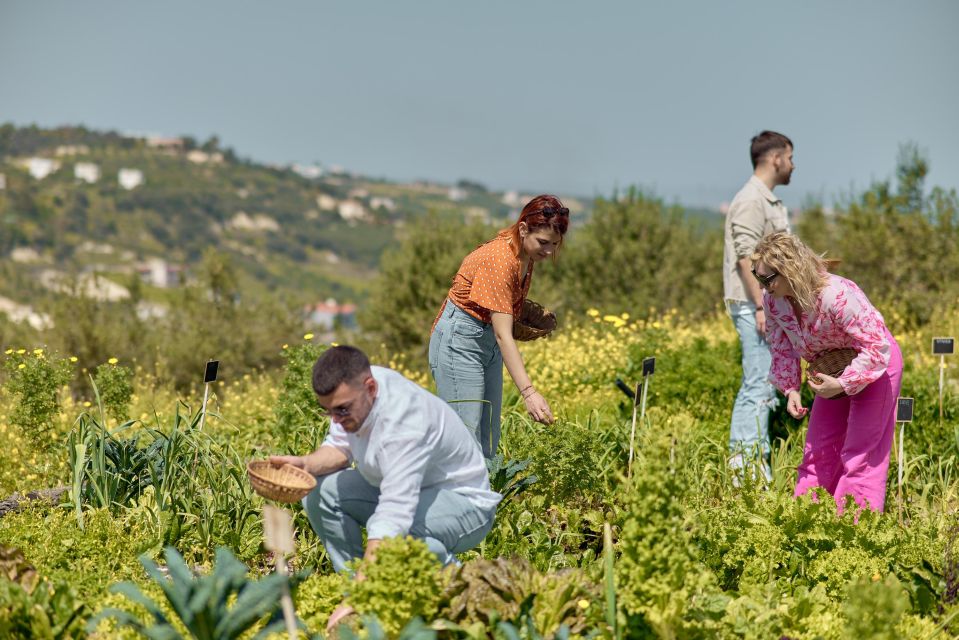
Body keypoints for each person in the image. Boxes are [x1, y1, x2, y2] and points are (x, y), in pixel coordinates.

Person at [270, 346, 502, 627]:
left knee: (406, 542)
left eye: (342, 410)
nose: (336, 420)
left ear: (370, 388)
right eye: (328, 411)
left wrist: (368, 581)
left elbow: (394, 513)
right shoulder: (357, 392)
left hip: (464, 502)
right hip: (406, 492)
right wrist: (305, 465)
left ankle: (469, 588)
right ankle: (353, 589)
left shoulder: (404, 422)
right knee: (319, 493)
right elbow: (340, 448)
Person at [752, 232, 903, 512]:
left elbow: (877, 346)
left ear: (790, 270)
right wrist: (791, 389)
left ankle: (853, 536)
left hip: (875, 366)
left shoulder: (836, 295)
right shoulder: (773, 300)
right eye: (757, 276)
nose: (762, 286)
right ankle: (807, 526)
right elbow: (780, 345)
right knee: (817, 453)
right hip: (831, 373)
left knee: (859, 457)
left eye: (767, 278)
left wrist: (843, 383)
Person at [429, 195, 568, 457]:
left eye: (555, 244)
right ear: (524, 229)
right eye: (543, 242)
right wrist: (529, 393)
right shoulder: (500, 260)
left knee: (487, 440)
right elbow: (504, 335)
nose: (548, 251)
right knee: (464, 443)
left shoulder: (526, 255)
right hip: (460, 342)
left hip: (486, 341)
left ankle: (485, 497)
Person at [722, 130, 795, 481]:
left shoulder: (767, 200)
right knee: (758, 385)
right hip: (756, 308)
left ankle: (753, 469)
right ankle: (746, 473)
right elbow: (745, 257)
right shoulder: (751, 200)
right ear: (775, 159)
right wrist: (761, 307)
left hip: (765, 307)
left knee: (765, 385)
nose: (793, 165)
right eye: (790, 157)